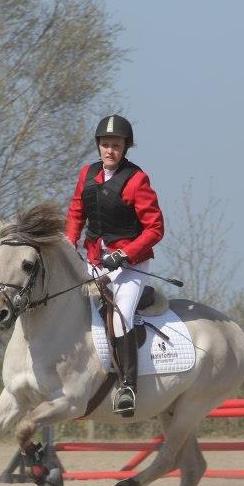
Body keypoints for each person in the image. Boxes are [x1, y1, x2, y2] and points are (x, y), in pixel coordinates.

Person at [65, 114, 165, 415]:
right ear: (99, 146)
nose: (110, 150)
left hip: (129, 265)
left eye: (116, 145)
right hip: (95, 259)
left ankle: (128, 388)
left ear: (125, 148)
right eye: (106, 145)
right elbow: (76, 212)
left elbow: (155, 229)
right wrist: (69, 242)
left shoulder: (137, 180)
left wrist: (125, 254)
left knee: (119, 318)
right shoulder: (87, 173)